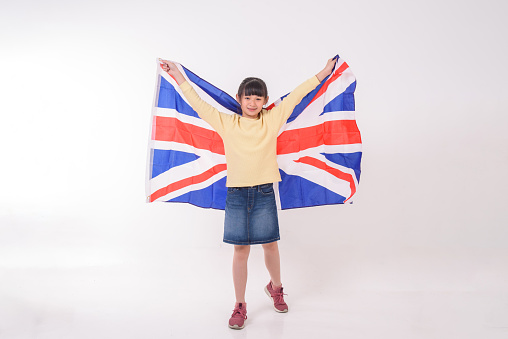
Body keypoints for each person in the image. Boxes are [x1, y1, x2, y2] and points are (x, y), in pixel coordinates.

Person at [160, 57, 336, 329]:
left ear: (265, 100)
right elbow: (198, 104)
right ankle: (240, 304)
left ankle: (275, 287)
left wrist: (324, 72)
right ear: (239, 99)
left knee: (270, 245)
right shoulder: (227, 123)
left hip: (264, 192)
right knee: (240, 250)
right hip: (237, 195)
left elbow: (299, 94)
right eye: (248, 98)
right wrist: (178, 76)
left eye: (258, 98)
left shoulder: (273, 118)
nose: (252, 103)